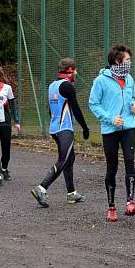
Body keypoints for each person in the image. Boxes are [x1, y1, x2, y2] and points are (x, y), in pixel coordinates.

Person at [88, 44, 135, 222]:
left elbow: (132, 97)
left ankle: (130, 202)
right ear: (117, 61)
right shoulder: (101, 81)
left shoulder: (130, 79)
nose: (129, 63)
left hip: (128, 127)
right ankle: (111, 206)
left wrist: (133, 106)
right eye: (127, 60)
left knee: (130, 160)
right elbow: (93, 103)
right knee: (112, 166)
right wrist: (110, 119)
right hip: (110, 129)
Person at [30, 58, 90, 207]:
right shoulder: (67, 86)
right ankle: (42, 188)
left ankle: (71, 193)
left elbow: (51, 109)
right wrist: (85, 128)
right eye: (75, 70)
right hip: (65, 129)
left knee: (69, 160)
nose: (76, 72)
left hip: (55, 129)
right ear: (70, 70)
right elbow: (76, 109)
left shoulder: (52, 86)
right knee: (63, 160)